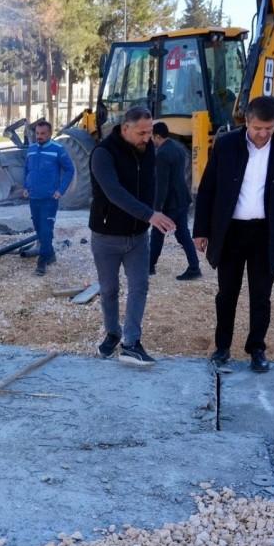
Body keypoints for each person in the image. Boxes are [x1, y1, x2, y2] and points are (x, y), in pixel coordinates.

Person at [194, 95, 274, 373]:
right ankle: (222, 348)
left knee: (260, 296)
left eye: (269, 128)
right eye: (258, 128)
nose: (263, 134)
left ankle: (257, 348)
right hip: (231, 232)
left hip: (266, 233)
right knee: (226, 294)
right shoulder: (226, 145)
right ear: (247, 121)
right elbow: (207, 189)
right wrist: (201, 230)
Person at [89, 106, 176, 366]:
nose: (147, 138)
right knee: (109, 290)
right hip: (106, 236)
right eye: (141, 132)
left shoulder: (148, 148)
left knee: (140, 286)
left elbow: (151, 182)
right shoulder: (102, 154)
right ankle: (112, 333)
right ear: (125, 128)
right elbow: (114, 192)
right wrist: (150, 214)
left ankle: (131, 342)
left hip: (138, 236)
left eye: (149, 132)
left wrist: (156, 210)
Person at [19, 120, 76, 277]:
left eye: (43, 134)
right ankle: (50, 255)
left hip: (50, 198)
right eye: (37, 133)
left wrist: (61, 190)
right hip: (33, 197)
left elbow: (69, 170)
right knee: (39, 229)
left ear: (50, 134)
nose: (39, 136)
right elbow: (27, 170)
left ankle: (42, 262)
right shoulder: (31, 149)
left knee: (46, 230)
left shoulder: (58, 150)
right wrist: (25, 187)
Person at [149, 122, 201, 281]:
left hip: (170, 202)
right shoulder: (177, 148)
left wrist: (157, 208)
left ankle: (149, 266)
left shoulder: (162, 154)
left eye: (152, 137)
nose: (151, 140)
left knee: (157, 233)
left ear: (157, 136)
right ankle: (194, 267)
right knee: (183, 234)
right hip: (182, 199)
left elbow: (162, 184)